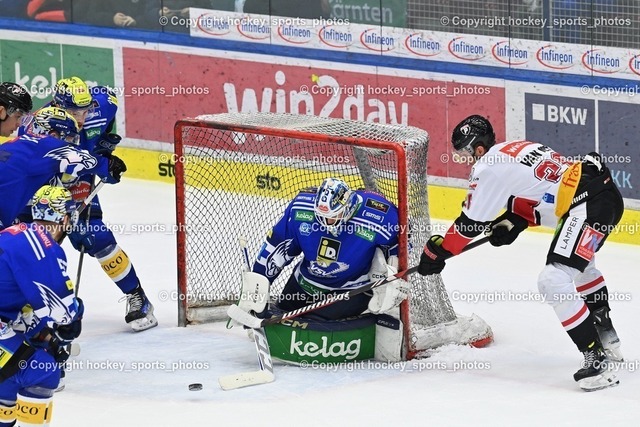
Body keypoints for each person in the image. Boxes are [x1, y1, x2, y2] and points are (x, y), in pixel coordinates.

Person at [417, 115, 624, 391]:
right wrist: (515, 220)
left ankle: (596, 360)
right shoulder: (516, 147)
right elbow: (546, 194)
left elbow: (469, 224)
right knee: (581, 267)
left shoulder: (488, 165)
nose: (468, 158)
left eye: (467, 151)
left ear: (478, 147)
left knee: (553, 279)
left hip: (586, 205)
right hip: (604, 195)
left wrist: (439, 251)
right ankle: (607, 337)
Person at [45, 77, 157, 332]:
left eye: (84, 110)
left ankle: (137, 297)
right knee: (39, 245)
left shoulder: (103, 105)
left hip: (80, 178)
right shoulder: (43, 125)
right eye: (74, 112)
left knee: (95, 236)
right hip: (46, 185)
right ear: (58, 106)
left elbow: (110, 108)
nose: (81, 117)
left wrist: (104, 151)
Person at [250, 177, 408, 321]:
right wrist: (256, 289)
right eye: (321, 216)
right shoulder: (301, 207)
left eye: (333, 216)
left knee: (315, 326)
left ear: (348, 207)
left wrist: (391, 274)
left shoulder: (380, 215)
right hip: (304, 283)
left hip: (350, 291)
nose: (326, 222)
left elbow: (401, 244)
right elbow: (276, 248)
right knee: (281, 317)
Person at [0, 185, 83, 427]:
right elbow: (64, 314)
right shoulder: (44, 248)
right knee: (43, 369)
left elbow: (27, 305)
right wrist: (75, 313)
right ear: (65, 218)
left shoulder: (15, 233)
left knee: (13, 369)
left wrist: (45, 335)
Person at [0, 106, 126, 230]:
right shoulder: (44, 145)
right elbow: (83, 159)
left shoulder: (17, 144)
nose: (70, 143)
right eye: (69, 138)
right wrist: (108, 165)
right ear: (54, 135)